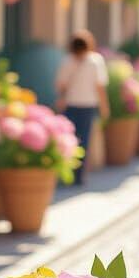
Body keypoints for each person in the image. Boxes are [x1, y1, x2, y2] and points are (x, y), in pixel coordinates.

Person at [53, 30, 109, 187]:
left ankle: (68, 173)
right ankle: (79, 176)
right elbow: (100, 87)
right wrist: (105, 107)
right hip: (88, 105)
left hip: (70, 105)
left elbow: (60, 85)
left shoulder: (67, 61)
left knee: (69, 140)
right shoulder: (96, 61)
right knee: (83, 140)